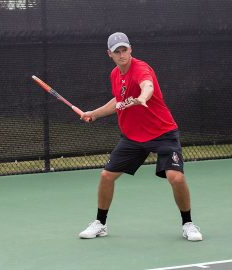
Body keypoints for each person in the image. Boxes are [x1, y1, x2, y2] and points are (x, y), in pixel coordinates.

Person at [78, 32, 202, 241]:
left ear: (130, 49)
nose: (121, 55)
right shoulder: (115, 75)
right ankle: (100, 223)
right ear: (109, 54)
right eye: (116, 51)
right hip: (133, 137)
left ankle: (188, 223)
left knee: (176, 177)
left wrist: (143, 98)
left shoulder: (141, 68)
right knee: (106, 176)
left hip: (162, 133)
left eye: (124, 50)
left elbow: (148, 85)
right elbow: (118, 100)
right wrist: (94, 114)